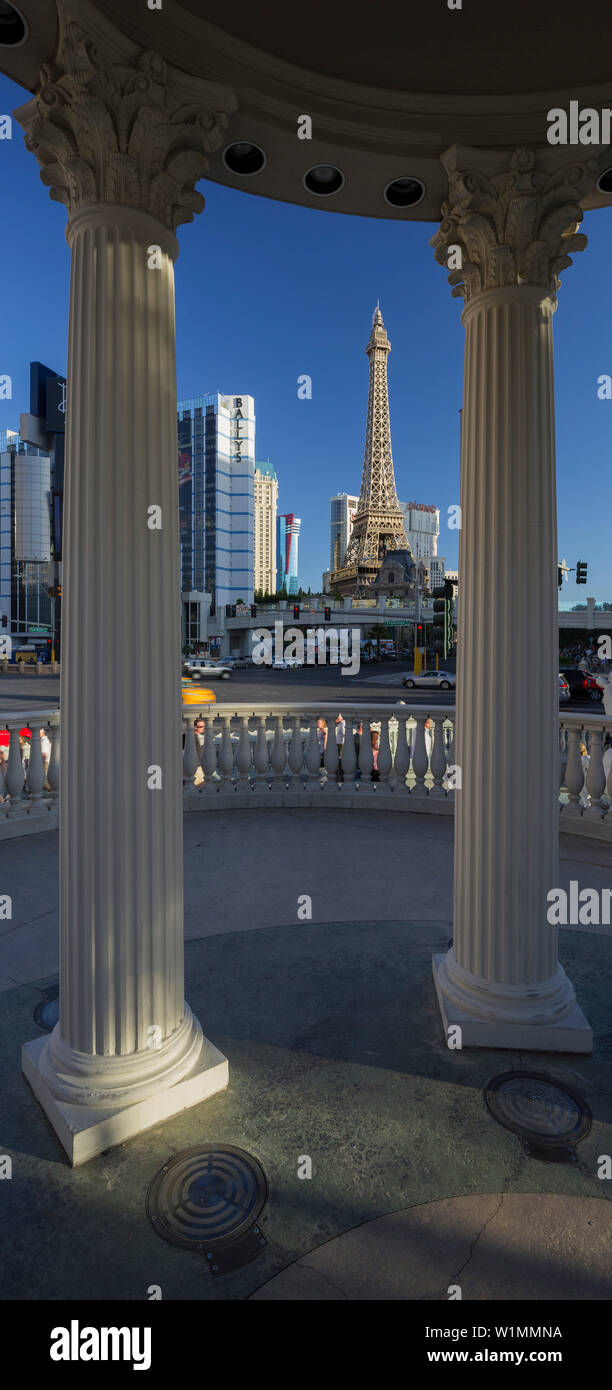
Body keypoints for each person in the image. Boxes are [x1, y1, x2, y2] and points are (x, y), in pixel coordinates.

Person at [335, 712, 345, 782]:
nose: (335, 720)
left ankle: (340, 777)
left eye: (337, 718)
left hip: (340, 744)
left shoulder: (343, 724)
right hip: (338, 744)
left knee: (339, 760)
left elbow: (345, 734)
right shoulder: (340, 724)